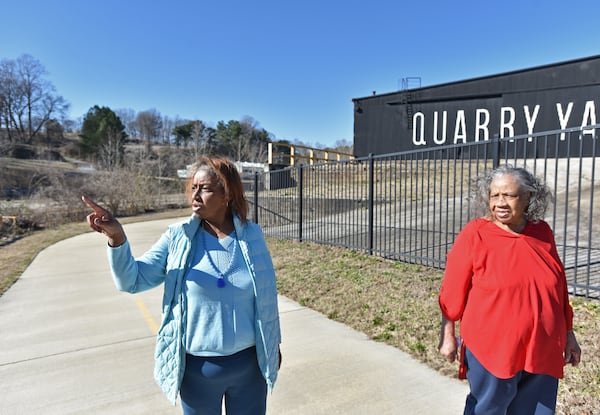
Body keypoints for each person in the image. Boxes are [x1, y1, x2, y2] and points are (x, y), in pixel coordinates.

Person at [82, 156, 282, 415]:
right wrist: (117, 238)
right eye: (194, 188)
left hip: (250, 368)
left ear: (228, 194)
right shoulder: (178, 237)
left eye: (206, 188)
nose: (195, 195)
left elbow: (266, 294)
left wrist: (274, 342)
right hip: (198, 373)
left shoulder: (252, 235)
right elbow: (132, 280)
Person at [438, 164, 581, 415]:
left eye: (509, 195)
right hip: (493, 348)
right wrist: (448, 334)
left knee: (536, 410)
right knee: (489, 409)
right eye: (495, 195)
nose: (500, 202)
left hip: (543, 345)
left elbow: (558, 287)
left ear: (528, 198)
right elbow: (452, 290)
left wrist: (568, 333)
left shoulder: (542, 232)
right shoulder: (476, 234)